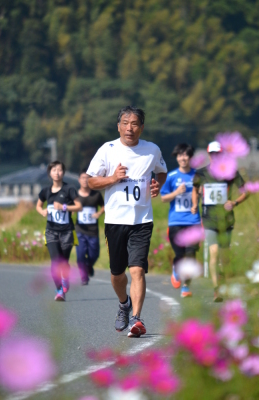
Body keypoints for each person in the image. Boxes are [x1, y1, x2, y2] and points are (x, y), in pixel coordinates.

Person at [87, 106, 167, 337]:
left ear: (142, 127)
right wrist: (113, 178)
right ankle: (124, 303)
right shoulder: (108, 150)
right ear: (118, 125)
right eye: (125, 123)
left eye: (134, 124)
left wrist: (157, 185)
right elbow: (91, 181)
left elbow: (161, 172)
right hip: (115, 220)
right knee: (116, 274)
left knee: (137, 270)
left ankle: (137, 319)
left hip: (142, 220)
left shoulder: (152, 150)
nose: (129, 128)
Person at [191, 141, 247, 302]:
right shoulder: (201, 173)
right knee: (214, 253)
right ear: (209, 154)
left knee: (225, 257)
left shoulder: (230, 172)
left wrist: (234, 202)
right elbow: (194, 189)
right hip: (209, 219)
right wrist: (195, 204)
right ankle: (217, 290)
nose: (216, 156)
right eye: (213, 154)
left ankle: (222, 278)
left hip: (226, 219)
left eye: (218, 154)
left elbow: (246, 190)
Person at [36, 161, 82, 301]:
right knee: (55, 261)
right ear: (50, 173)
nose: (57, 172)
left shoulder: (70, 189)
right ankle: (59, 290)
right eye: (54, 170)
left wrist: (63, 207)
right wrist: (42, 211)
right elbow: (38, 206)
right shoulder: (45, 191)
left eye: (60, 170)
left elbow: (79, 206)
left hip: (67, 231)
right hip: (51, 231)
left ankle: (65, 278)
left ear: (63, 172)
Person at [160, 143, 201, 298]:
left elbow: (202, 192)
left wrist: (197, 203)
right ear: (176, 158)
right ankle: (176, 269)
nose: (183, 158)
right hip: (176, 221)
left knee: (191, 255)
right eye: (180, 155)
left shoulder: (197, 175)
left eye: (185, 155)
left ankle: (186, 286)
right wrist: (177, 192)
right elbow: (163, 198)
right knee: (180, 254)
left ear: (190, 157)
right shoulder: (171, 176)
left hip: (193, 221)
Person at [75, 168, 105, 285]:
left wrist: (99, 213)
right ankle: (83, 276)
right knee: (80, 254)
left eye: (88, 178)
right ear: (79, 180)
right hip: (80, 229)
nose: (85, 180)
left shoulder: (96, 194)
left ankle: (88, 266)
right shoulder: (75, 195)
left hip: (93, 230)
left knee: (94, 254)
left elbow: (104, 206)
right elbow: (69, 206)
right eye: (83, 178)